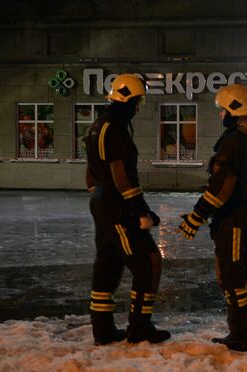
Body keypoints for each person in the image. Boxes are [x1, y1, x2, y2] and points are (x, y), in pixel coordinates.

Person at [177, 84, 247, 352]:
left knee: (232, 278)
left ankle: (240, 336)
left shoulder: (232, 142)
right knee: (245, 274)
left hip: (234, 219)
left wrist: (196, 217)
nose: (221, 116)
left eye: (223, 111)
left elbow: (222, 188)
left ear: (233, 112)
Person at [84, 74, 170, 346]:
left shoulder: (98, 126)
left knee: (108, 264)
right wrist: (140, 210)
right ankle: (140, 327)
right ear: (127, 99)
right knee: (148, 262)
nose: (138, 107)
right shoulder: (115, 128)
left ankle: (103, 330)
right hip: (118, 207)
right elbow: (119, 174)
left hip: (104, 203)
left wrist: (99, 197)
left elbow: (90, 171)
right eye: (137, 101)